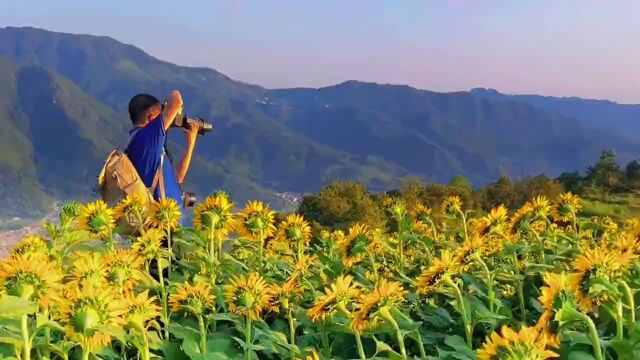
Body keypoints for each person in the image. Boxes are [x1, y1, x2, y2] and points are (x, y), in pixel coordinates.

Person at [125, 90, 201, 215]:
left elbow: (177, 180)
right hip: (158, 226)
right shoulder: (146, 138)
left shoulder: (144, 144)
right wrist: (166, 107)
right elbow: (176, 99)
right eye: (159, 117)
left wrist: (190, 144)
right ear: (150, 118)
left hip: (165, 222)